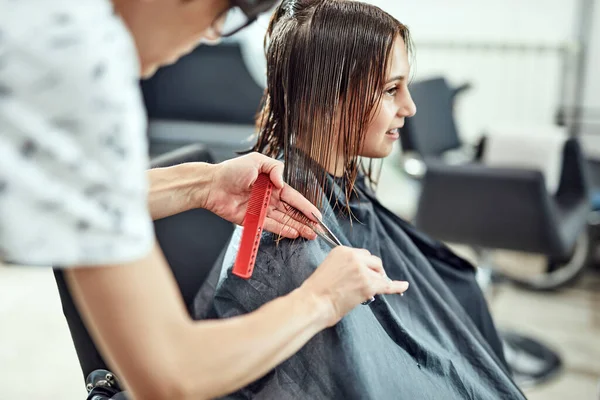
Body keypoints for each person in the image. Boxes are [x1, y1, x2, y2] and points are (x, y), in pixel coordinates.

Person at [0, 0, 409, 399]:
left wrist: (203, 184)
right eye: (220, 12)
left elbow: (74, 192)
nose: (212, 34)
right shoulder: (73, 57)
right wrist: (321, 299)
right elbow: (169, 377)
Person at [203, 0, 525, 398]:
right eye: (392, 89)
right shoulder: (287, 238)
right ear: (327, 98)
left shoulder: (343, 193)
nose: (410, 107)